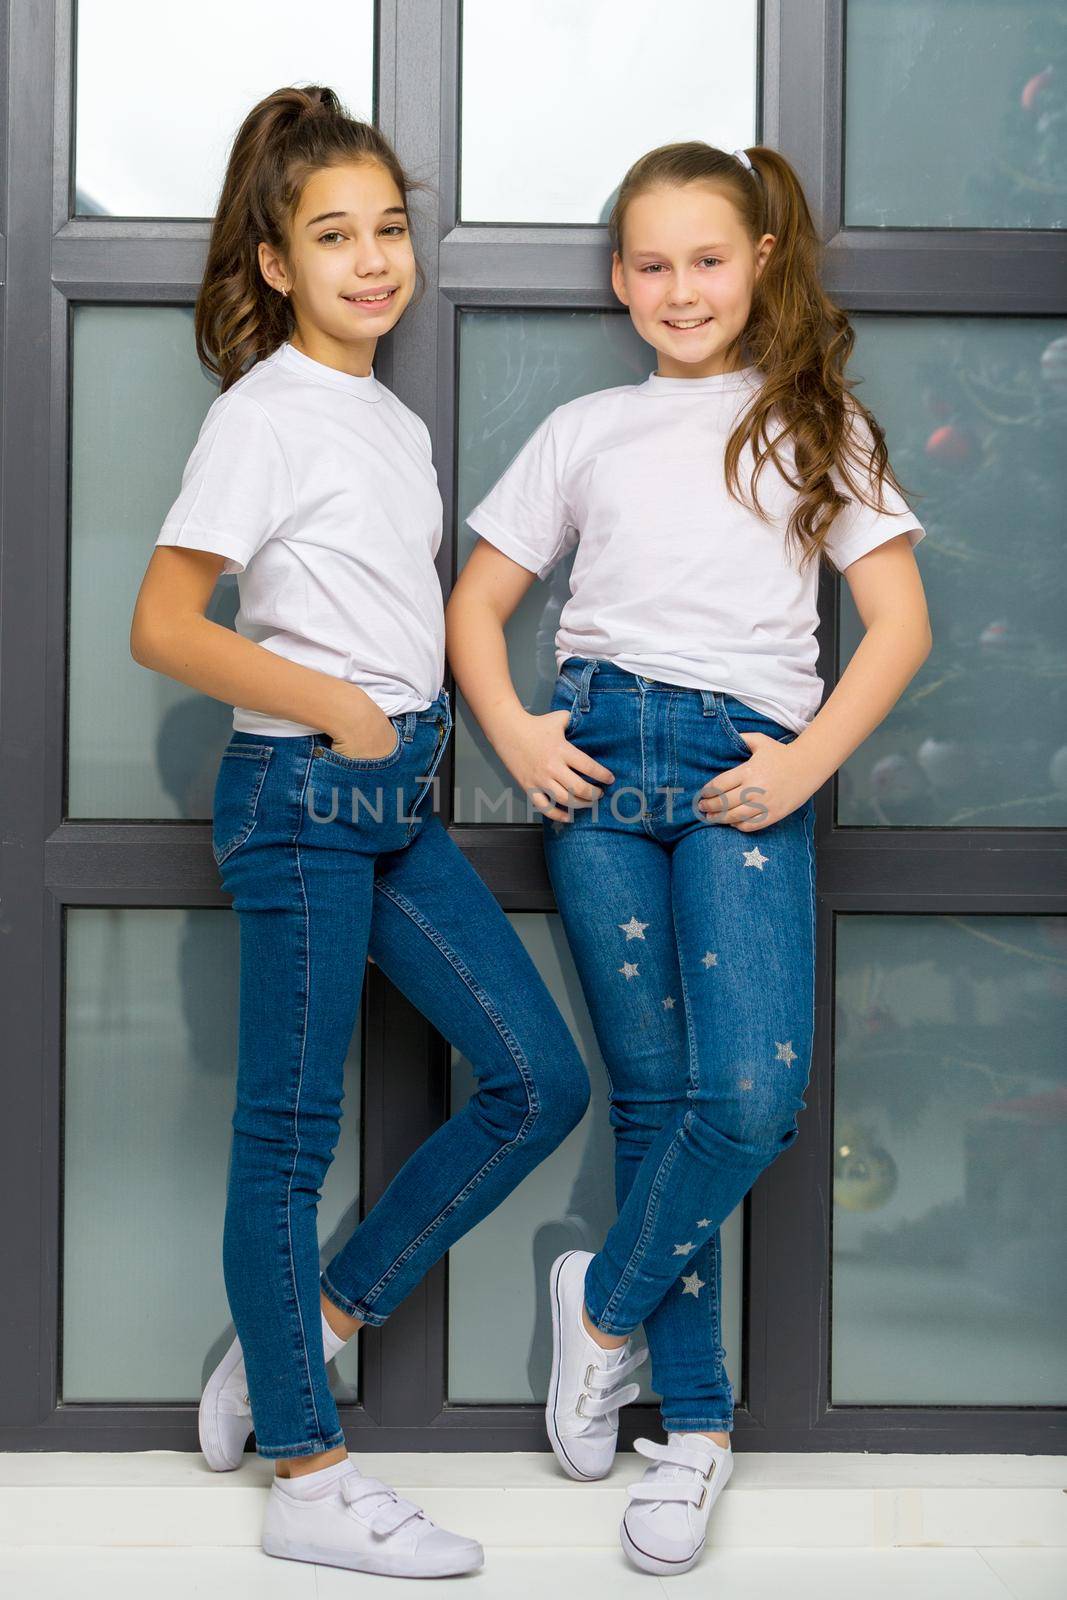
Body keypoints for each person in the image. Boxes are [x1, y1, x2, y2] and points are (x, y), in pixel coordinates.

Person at [446, 140, 932, 1577]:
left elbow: (896, 625)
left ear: (759, 261)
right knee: (659, 1104)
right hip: (597, 765)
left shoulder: (815, 421)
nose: (680, 288)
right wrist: (520, 738)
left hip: (744, 770)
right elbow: (477, 606)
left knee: (755, 1095)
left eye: (706, 259)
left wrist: (800, 764)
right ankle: (697, 1433)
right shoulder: (588, 430)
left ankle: (601, 1308)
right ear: (618, 282)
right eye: (650, 266)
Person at [130, 85, 592, 1581]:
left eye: (390, 227)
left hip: (393, 809)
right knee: (285, 1142)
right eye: (334, 235)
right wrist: (337, 707)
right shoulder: (261, 415)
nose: (373, 259)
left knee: (538, 1081)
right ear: (274, 262)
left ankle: (307, 1331)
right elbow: (162, 625)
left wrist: (397, 734)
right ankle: (311, 1475)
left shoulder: (387, 415)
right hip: (306, 801)